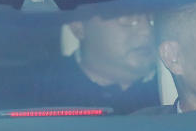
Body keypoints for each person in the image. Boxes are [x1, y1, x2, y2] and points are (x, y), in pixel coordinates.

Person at [31, 10, 160, 114]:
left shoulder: (175, 89)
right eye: (127, 16)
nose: (147, 30)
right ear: (79, 27)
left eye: (151, 18)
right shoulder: (37, 95)